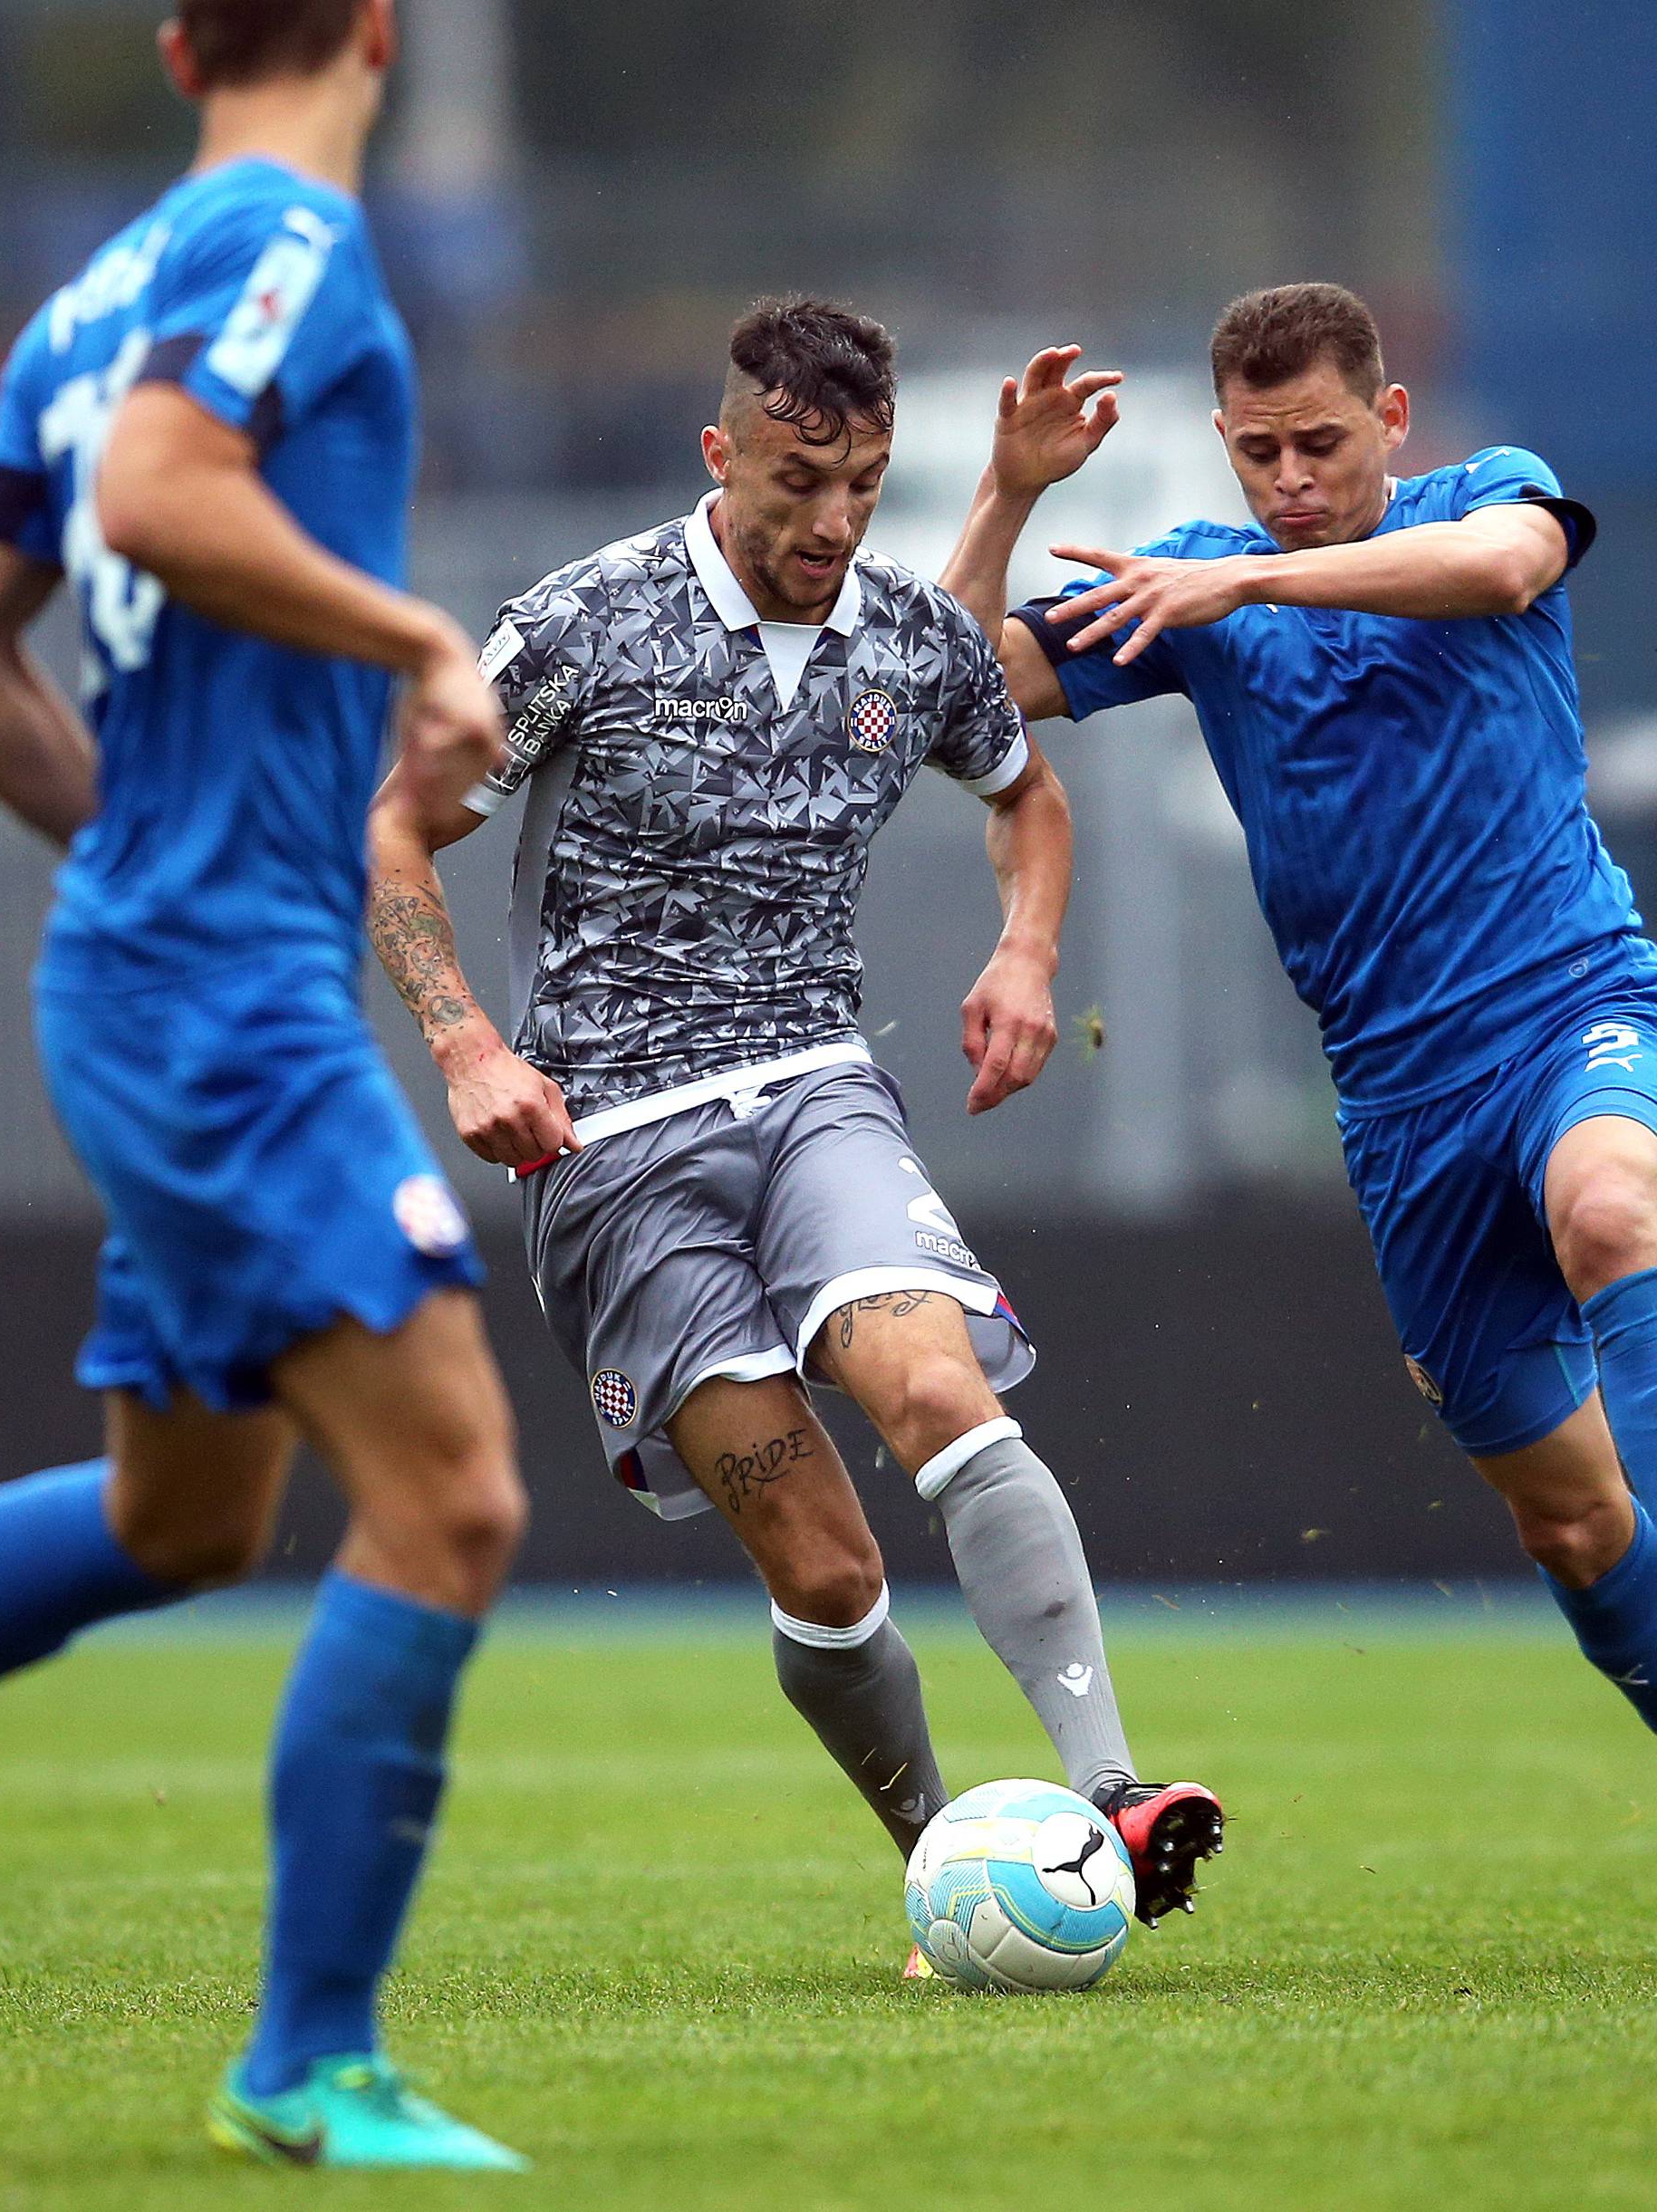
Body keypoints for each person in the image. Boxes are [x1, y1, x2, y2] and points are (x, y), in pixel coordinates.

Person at [0, 0, 532, 2170]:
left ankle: (312, 2053)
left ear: (178, 54)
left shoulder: (84, 298)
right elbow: (175, 494)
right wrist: (416, 637)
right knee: (453, 1495)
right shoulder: (283, 245)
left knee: (180, 1517)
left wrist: (137, 868)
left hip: (167, 967)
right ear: (375, 31)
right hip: (225, 1000)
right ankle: (309, 2060)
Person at [367, 298, 1224, 1942]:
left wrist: (1028, 949)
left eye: (866, 484)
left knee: (937, 1386)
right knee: (828, 1573)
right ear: (724, 454)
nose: (834, 522)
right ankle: (943, 1850)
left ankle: (1112, 1787)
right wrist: (467, 1042)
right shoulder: (578, 625)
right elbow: (397, 826)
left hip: (818, 1088)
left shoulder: (909, 632)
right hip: (613, 1153)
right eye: (799, 481)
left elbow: (1025, 789)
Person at [943, 280, 1657, 1737]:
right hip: (1401, 1109)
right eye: (1259, 453)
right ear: (1223, 444)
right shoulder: (1185, 588)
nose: (1292, 481)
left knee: (1615, 1209)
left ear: (1389, 418)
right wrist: (1006, 497)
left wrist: (1244, 586)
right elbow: (957, 696)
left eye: (1321, 443)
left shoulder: (1477, 497)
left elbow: (1509, 568)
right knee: (1573, 1526)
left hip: (1567, 1004)